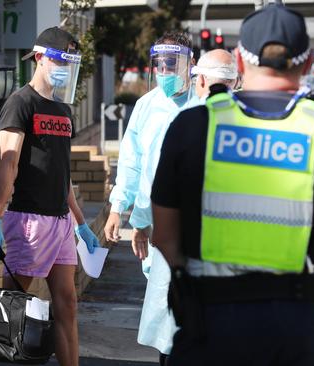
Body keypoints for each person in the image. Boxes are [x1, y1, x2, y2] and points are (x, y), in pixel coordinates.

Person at [151, 4, 314, 365]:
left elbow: (163, 236)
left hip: (208, 324)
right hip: (301, 332)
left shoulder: (191, 128)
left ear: (239, 61)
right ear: (307, 64)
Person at [0, 26, 100, 366]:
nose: (64, 68)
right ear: (39, 57)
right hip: (28, 220)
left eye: (70, 61)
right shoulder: (20, 103)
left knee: (67, 304)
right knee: (13, 310)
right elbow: (9, 164)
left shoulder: (63, 110)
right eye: (59, 59)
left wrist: (80, 224)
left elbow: (61, 173)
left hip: (61, 223)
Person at [102, 31, 199, 362]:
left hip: (200, 223)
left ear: (192, 64)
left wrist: (139, 219)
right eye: (159, 65)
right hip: (161, 227)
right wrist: (119, 209)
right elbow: (133, 164)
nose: (166, 72)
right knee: (166, 316)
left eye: (173, 64)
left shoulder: (202, 105)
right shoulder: (146, 106)